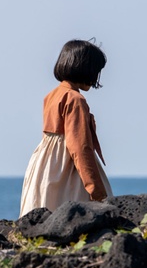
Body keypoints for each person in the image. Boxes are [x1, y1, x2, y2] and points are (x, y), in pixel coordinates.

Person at [20, 39, 112, 217]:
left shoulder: (51, 95)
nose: (96, 78)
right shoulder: (75, 99)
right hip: (66, 169)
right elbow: (80, 147)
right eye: (96, 71)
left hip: (45, 167)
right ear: (85, 69)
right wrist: (97, 191)